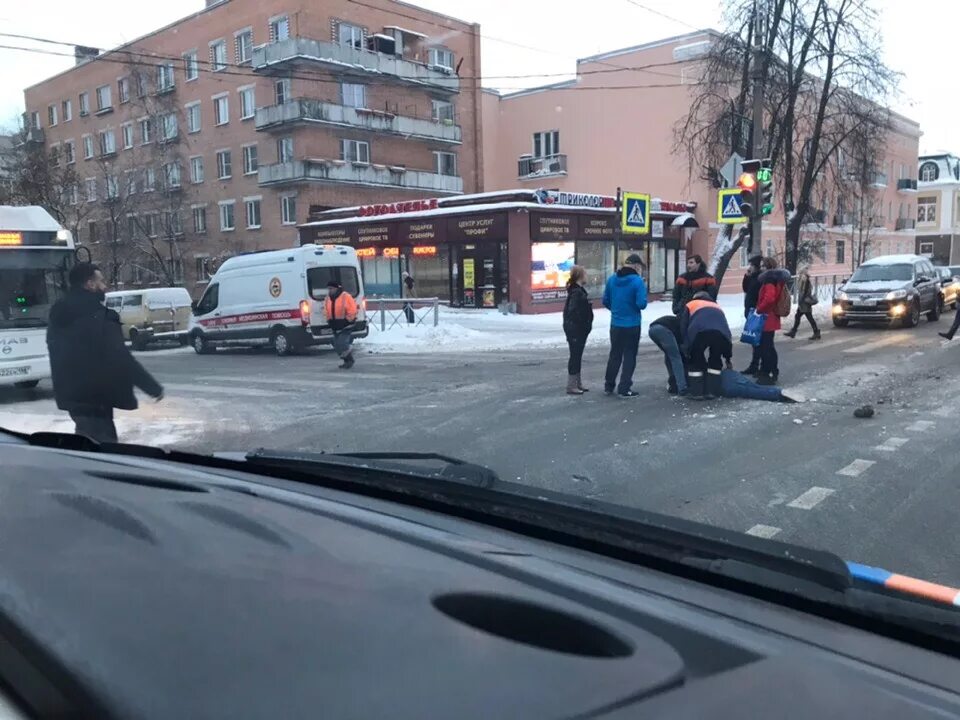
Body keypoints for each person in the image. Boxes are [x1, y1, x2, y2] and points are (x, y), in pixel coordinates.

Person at [46, 262, 164, 443]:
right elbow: (120, 357)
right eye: (100, 281)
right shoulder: (101, 316)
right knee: (103, 449)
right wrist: (151, 387)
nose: (104, 286)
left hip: (71, 395)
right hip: (97, 396)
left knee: (85, 441)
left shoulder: (57, 314)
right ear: (89, 284)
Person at [602, 254, 648, 398]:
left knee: (614, 355)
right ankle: (624, 387)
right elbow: (642, 304)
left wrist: (616, 309)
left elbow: (605, 300)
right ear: (635, 266)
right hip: (632, 324)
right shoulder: (637, 281)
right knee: (629, 356)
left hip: (616, 324)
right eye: (639, 266)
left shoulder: (612, 279)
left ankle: (609, 385)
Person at [679, 291, 733, 400]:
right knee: (715, 359)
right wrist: (728, 357)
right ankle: (712, 391)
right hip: (721, 335)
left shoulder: (691, 304)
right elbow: (726, 330)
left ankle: (697, 392)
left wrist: (686, 346)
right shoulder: (717, 306)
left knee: (696, 359)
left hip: (700, 332)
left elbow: (683, 325)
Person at [754, 257, 791, 386]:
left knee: (766, 347)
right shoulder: (776, 279)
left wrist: (759, 309)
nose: (761, 268)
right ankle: (769, 371)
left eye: (763, 266)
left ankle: (769, 373)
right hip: (771, 317)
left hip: (767, 318)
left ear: (769, 267)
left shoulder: (769, 280)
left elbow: (769, 299)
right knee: (768, 346)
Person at [562, 266, 594, 395]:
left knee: (577, 355)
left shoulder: (578, 291)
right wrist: (583, 322)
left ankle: (577, 382)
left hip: (577, 328)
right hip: (575, 329)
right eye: (585, 274)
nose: (587, 276)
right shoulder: (576, 293)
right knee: (575, 355)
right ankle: (572, 385)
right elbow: (573, 311)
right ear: (580, 276)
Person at [648, 314, 687, 396]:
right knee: (676, 358)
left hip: (652, 330)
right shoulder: (684, 326)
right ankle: (682, 388)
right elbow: (682, 345)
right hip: (663, 330)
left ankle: (673, 382)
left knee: (670, 354)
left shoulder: (676, 320)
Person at [324, 278, 358, 369]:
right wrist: (329, 321)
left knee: (342, 343)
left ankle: (349, 360)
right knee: (336, 344)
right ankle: (347, 361)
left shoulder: (345, 296)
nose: (329, 290)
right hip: (335, 325)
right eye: (328, 288)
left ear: (336, 288)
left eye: (331, 288)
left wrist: (347, 321)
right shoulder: (328, 298)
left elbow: (353, 310)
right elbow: (327, 311)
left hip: (346, 325)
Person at [719, 368, 805, 403]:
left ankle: (778, 394)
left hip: (720, 383)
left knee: (750, 391)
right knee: (752, 386)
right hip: (727, 373)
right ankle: (778, 391)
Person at [741, 255, 764, 375]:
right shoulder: (753, 277)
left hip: (756, 312)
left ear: (756, 266)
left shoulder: (760, 278)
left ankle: (758, 366)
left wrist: (757, 310)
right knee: (754, 341)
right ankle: (754, 365)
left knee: (758, 341)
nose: (749, 267)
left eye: (751, 265)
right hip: (750, 311)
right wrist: (746, 276)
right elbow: (745, 289)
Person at [785, 266, 821, 340]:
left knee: (808, 317)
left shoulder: (805, 280)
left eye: (801, 272)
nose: (799, 273)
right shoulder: (803, 279)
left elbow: (804, 292)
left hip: (804, 302)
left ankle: (816, 332)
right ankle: (794, 331)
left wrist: (801, 300)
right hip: (803, 301)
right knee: (800, 316)